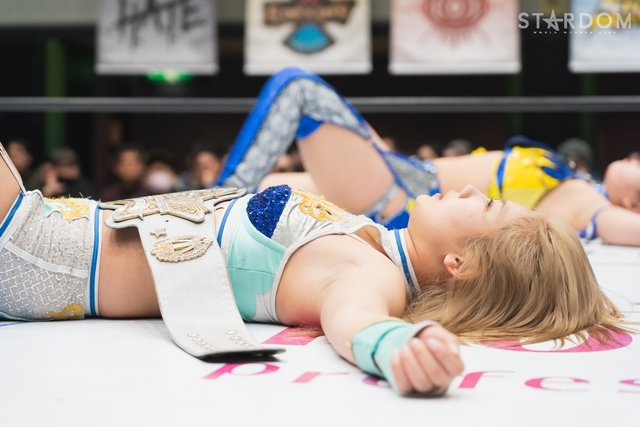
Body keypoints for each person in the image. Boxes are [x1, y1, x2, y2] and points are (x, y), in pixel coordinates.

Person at [0, 139, 628, 397]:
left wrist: (397, 347)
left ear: (460, 264)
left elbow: (354, 320)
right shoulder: (375, 241)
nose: (467, 189)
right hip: (46, 238)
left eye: (483, 205)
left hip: (37, 251)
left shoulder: (369, 274)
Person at [216, 67, 640, 246]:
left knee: (298, 87)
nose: (636, 158)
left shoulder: (591, 206)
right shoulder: (584, 185)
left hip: (403, 201)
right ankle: (214, 210)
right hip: (406, 175)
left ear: (634, 203)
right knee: (271, 194)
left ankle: (208, 203)